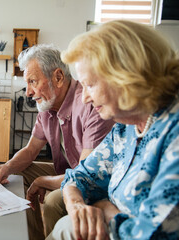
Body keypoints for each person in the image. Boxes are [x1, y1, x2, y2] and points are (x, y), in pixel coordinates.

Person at [46, 20, 179, 240]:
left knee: (66, 229)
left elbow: (153, 234)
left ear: (125, 77)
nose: (86, 97)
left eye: (90, 85)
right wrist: (77, 205)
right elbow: (79, 176)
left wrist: (108, 212)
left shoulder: (173, 131)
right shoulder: (125, 129)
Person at [0, 44, 114, 239]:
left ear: (58, 77)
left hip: (92, 177)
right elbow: (30, 150)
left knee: (53, 198)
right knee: (18, 172)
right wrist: (6, 167)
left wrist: (44, 181)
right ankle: (35, 236)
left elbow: (86, 171)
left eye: (33, 81)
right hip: (68, 172)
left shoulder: (89, 104)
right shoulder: (47, 106)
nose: (28, 92)